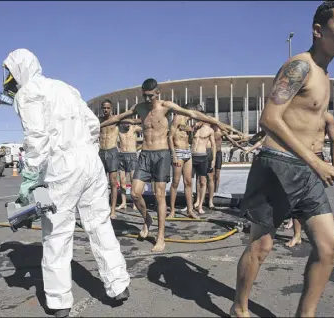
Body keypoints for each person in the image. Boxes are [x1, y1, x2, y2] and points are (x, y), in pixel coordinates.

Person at [231, 2, 334, 317]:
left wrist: (321, 161)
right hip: (279, 166)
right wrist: (317, 163)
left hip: (308, 172)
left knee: (329, 247)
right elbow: (270, 119)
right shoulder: (299, 66)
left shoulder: (325, 74)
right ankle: (239, 307)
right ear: (318, 30)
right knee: (261, 246)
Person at [2, 48, 130, 318]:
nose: (10, 80)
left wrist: (30, 177)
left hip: (62, 166)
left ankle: (59, 301)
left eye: (10, 73)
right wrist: (87, 152)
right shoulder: (65, 87)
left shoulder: (28, 93)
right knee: (99, 224)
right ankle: (118, 284)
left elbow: (36, 138)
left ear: (19, 71)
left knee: (56, 233)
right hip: (90, 162)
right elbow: (94, 124)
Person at [100, 78, 241, 252]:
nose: (148, 99)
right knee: (135, 194)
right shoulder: (140, 108)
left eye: (151, 96)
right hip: (145, 154)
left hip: (161, 154)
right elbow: (119, 117)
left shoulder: (166, 106)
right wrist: (95, 125)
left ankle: (160, 237)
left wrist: (218, 122)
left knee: (160, 195)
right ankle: (147, 219)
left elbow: (193, 114)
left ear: (157, 93)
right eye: (145, 96)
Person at [286, 110, 334, 248]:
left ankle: (319, 234)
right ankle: (297, 235)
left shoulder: (327, 117)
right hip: (298, 158)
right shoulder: (300, 113)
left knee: (316, 198)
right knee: (295, 198)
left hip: (317, 157)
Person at [168, 103, 199, 219]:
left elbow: (188, 139)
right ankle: (172, 210)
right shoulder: (178, 117)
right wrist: (174, 155)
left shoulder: (188, 122)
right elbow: (170, 137)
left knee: (188, 182)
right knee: (175, 182)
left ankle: (190, 210)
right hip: (178, 151)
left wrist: (191, 131)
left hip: (187, 151)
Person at [98, 99, 120, 219]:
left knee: (113, 182)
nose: (106, 110)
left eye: (108, 108)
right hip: (101, 151)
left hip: (112, 151)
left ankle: (112, 210)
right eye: (104, 108)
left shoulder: (116, 120)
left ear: (111, 108)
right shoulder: (99, 121)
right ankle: (102, 207)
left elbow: (131, 120)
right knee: (101, 182)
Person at [191, 117, 216, 215]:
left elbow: (213, 145)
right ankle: (191, 204)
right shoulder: (194, 128)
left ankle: (201, 205)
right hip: (192, 155)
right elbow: (188, 140)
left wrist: (213, 159)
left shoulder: (210, 130)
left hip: (203, 156)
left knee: (203, 181)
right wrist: (193, 128)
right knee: (188, 181)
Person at [117, 120, 142, 211]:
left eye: (129, 122)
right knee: (122, 182)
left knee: (133, 181)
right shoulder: (119, 129)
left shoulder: (134, 128)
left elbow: (147, 129)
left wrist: (139, 148)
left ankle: (134, 203)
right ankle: (124, 203)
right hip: (121, 156)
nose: (127, 124)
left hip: (132, 155)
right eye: (125, 122)